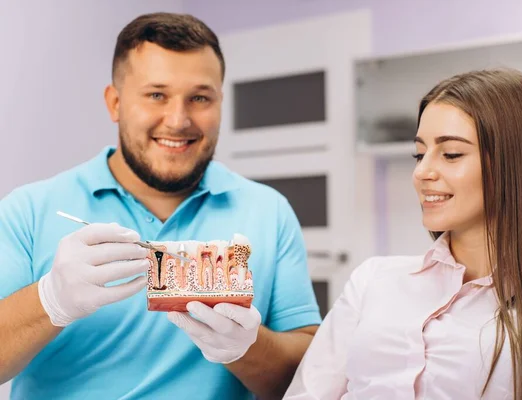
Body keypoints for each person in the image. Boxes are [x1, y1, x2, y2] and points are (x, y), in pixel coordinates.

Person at [0, 12, 321, 400]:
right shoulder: (30, 211)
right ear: (115, 103)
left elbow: (310, 379)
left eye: (200, 98)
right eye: (157, 95)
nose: (179, 119)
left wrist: (245, 347)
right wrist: (49, 300)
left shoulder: (270, 213)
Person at [284, 68, 522, 399]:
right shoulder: (372, 280)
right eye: (419, 154)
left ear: (514, 163)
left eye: (451, 154)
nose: (421, 172)